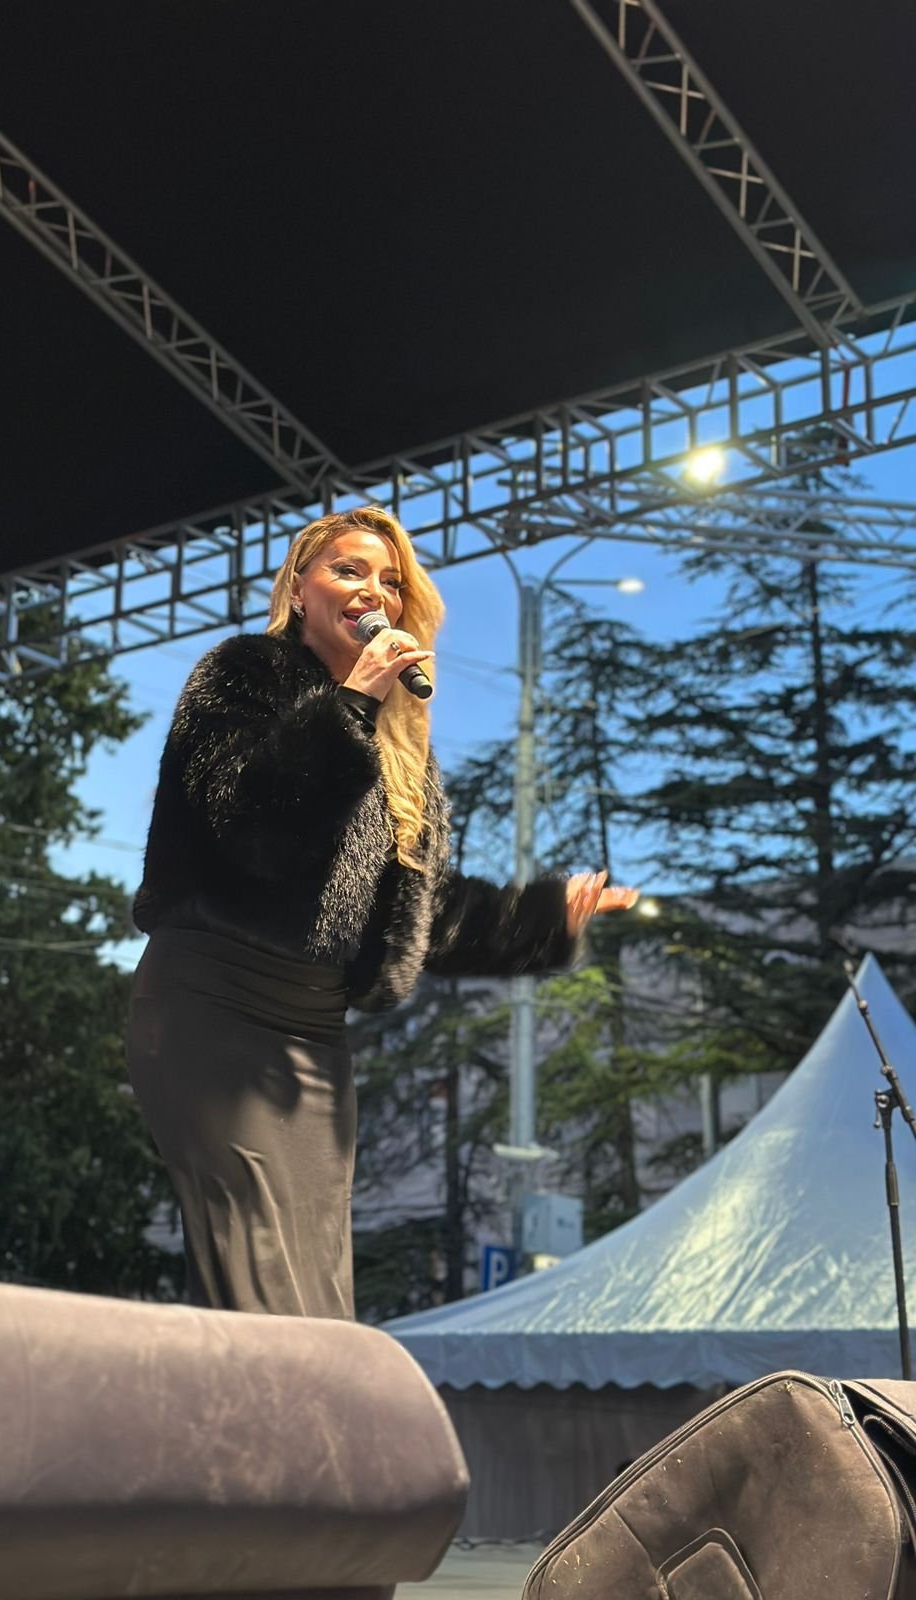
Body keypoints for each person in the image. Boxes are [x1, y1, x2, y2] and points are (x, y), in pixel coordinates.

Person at [127, 506, 637, 1319]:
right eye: (349, 571)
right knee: (259, 1278)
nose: (375, 593)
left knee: (318, 1293)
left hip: (315, 1038)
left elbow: (417, 911)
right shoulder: (242, 674)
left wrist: (546, 919)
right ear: (299, 590)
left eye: (392, 582)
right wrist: (351, 704)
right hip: (212, 1005)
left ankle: (280, 1409)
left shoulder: (401, 746)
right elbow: (251, 826)